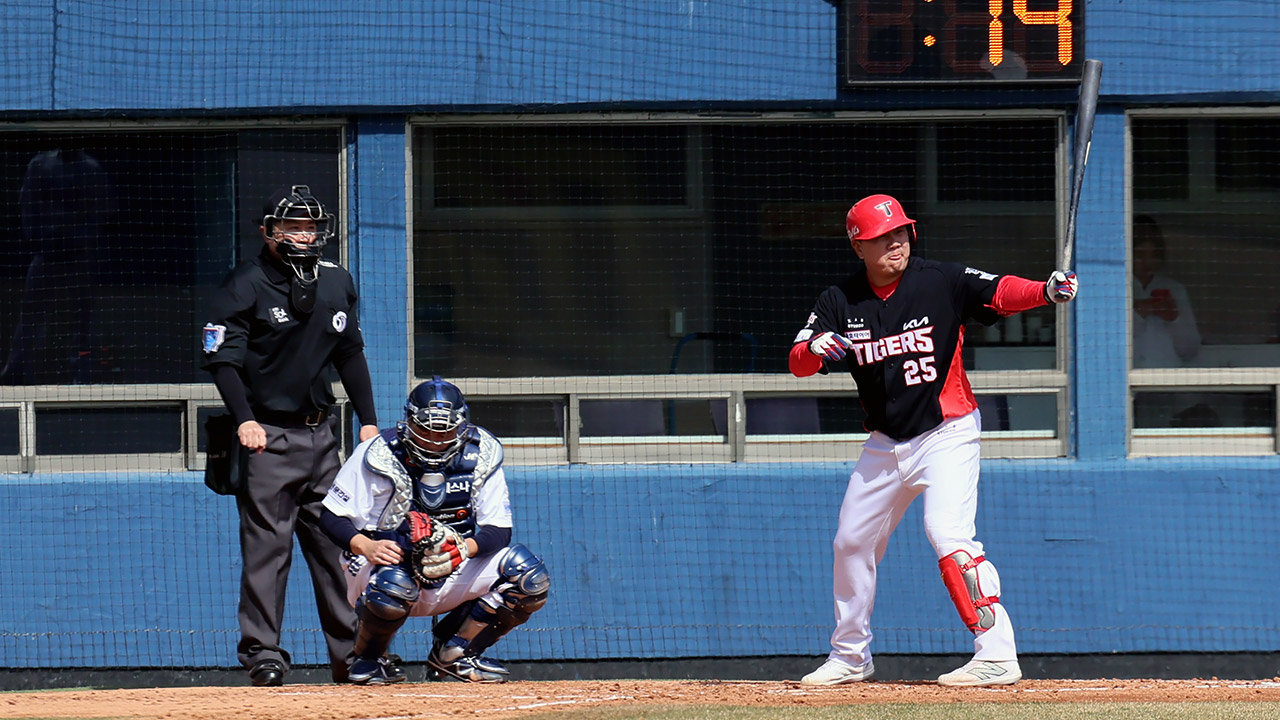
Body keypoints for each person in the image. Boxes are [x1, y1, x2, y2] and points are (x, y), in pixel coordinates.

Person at [789, 194, 1078, 687]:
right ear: (858, 246)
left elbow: (1000, 291)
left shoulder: (939, 280)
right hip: (885, 442)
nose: (895, 242)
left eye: (900, 232)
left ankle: (996, 653)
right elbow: (797, 361)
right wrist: (815, 348)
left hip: (947, 432)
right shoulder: (839, 299)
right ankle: (850, 656)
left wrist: (1046, 291)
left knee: (948, 534)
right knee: (851, 543)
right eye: (881, 237)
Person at [200, 185, 381, 686]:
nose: (304, 234)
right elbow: (223, 361)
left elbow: (349, 353)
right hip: (268, 438)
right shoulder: (245, 283)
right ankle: (263, 653)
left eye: (310, 226)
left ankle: (355, 654)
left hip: (321, 437)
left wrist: (367, 419)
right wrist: (244, 419)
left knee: (339, 546)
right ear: (268, 231)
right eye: (292, 226)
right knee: (267, 550)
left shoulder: (336, 281)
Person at [319, 376, 550, 684]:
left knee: (528, 576)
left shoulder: (481, 453)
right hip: (384, 563)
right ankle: (371, 659)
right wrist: (365, 545)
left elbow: (499, 530)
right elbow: (331, 516)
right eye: (426, 431)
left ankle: (456, 655)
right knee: (393, 587)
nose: (435, 441)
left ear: (462, 426)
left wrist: (461, 548)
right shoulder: (378, 454)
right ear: (409, 423)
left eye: (445, 433)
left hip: (452, 563)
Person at [1131, 215, 1205, 426]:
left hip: (1169, 389)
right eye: (1140, 254)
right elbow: (1105, 343)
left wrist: (1174, 319)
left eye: (1153, 255)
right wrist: (1140, 312)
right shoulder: (1115, 288)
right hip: (1127, 390)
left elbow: (1190, 349)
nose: (1147, 262)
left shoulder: (1174, 289)